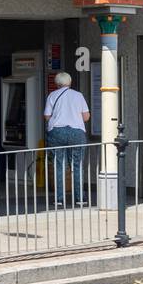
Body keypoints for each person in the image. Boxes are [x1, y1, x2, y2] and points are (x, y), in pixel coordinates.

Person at [43, 71, 91, 206]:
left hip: (57, 132)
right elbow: (86, 117)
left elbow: (47, 116)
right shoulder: (78, 95)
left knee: (59, 165)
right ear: (69, 82)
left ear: (57, 83)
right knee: (77, 165)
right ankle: (80, 198)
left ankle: (59, 199)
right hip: (77, 133)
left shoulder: (52, 95)